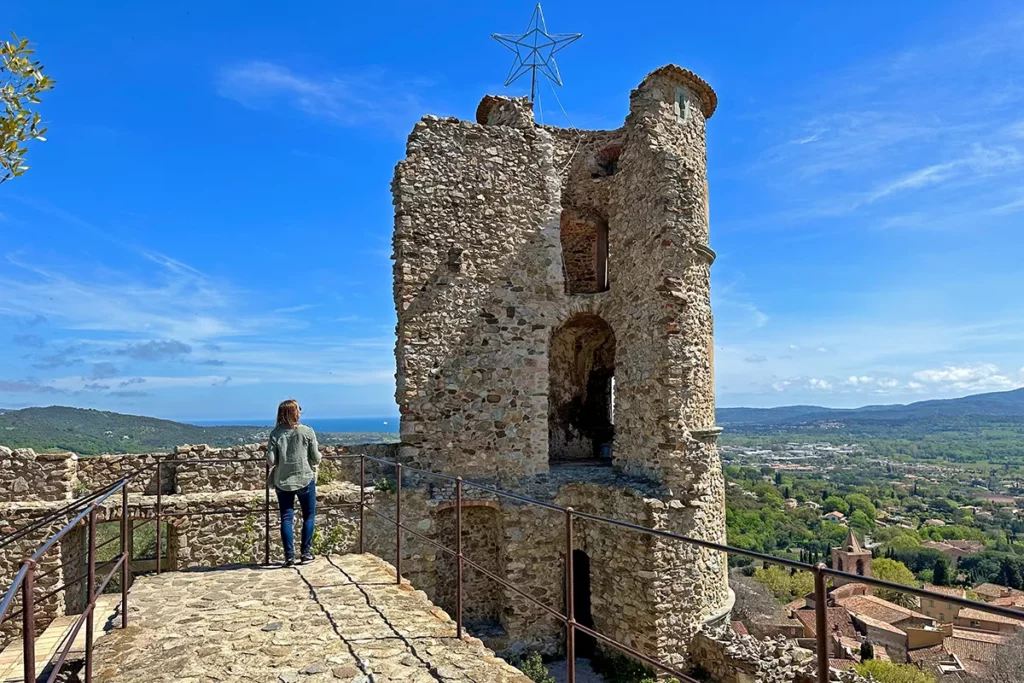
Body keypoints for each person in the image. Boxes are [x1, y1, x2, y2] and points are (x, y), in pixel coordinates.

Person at [266, 399, 320, 566]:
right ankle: (306, 554)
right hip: (305, 479)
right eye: (299, 409)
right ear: (295, 413)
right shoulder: (307, 431)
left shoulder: (275, 434)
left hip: (282, 481)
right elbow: (316, 458)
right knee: (308, 516)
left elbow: (271, 461)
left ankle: (289, 557)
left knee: (286, 518)